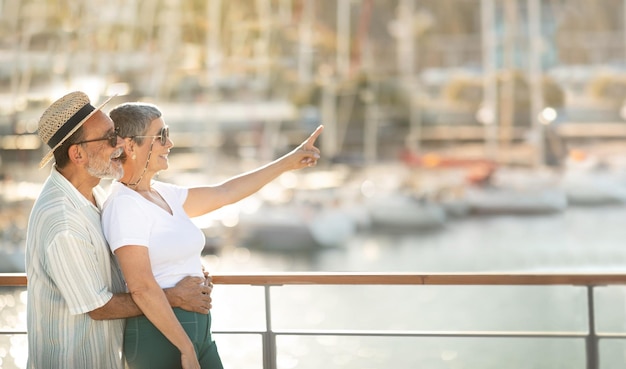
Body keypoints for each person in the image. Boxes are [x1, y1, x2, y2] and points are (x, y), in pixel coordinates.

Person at [102, 101, 323, 369]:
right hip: (160, 335)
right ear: (129, 145)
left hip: (198, 332)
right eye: (160, 135)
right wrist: (185, 348)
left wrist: (288, 162)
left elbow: (225, 193)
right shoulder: (124, 205)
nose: (169, 143)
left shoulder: (164, 194)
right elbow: (141, 287)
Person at [25, 91, 214, 369]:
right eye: (110, 137)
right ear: (77, 153)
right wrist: (173, 295)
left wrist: (182, 270)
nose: (121, 145)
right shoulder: (62, 220)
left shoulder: (95, 197)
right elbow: (98, 306)